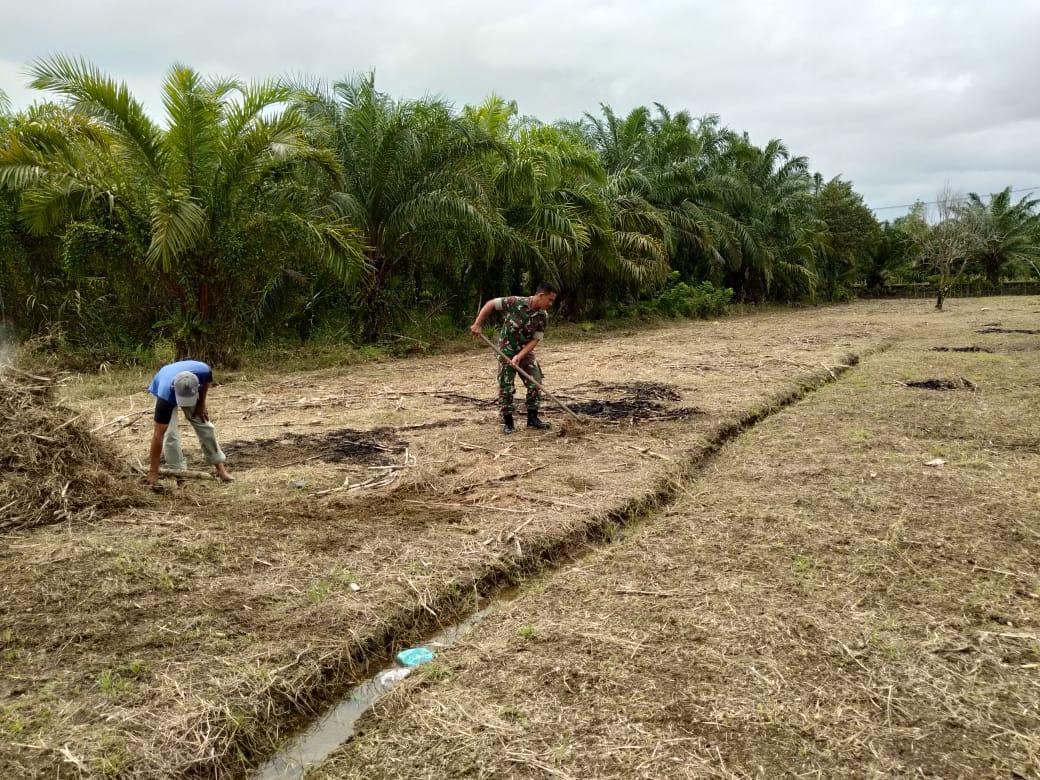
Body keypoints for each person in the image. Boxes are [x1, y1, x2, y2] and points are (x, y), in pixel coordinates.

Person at [470, 283, 558, 433]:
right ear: (541, 295)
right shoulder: (515, 302)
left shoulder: (543, 316)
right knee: (506, 386)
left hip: (524, 351)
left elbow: (535, 339)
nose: (551, 304)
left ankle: (533, 419)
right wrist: (478, 324)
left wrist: (519, 356)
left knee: (535, 382)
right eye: (550, 300)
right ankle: (508, 422)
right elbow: (491, 304)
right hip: (506, 350)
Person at [146, 359, 234, 486]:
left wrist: (201, 403)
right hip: (166, 388)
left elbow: (205, 383)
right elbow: (157, 435)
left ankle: (221, 470)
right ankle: (181, 476)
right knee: (170, 435)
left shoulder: (204, 371)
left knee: (204, 424)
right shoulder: (165, 396)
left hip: (187, 386)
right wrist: (153, 472)